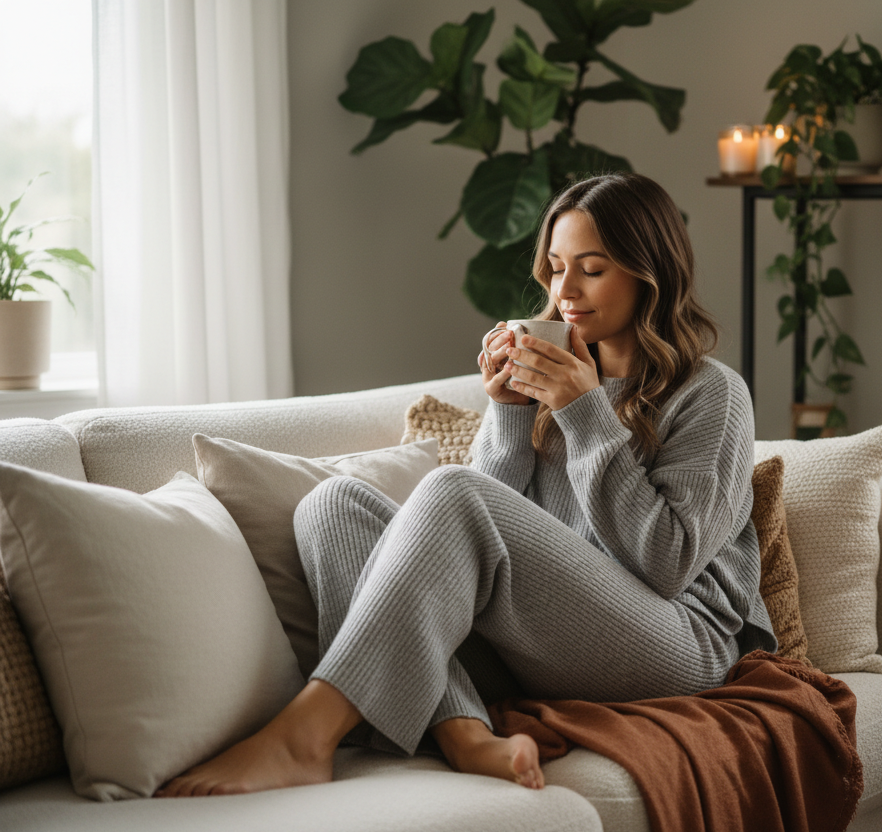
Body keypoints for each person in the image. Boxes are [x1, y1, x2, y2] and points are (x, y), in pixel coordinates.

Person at [156, 172, 777, 798]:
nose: (566, 292)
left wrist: (585, 413)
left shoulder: (711, 394)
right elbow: (475, 544)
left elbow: (665, 564)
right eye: (556, 269)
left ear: (651, 274)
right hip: (542, 643)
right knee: (331, 504)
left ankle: (304, 737)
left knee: (451, 490)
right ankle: (464, 733)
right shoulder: (545, 382)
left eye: (592, 269)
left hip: (676, 646)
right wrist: (509, 412)